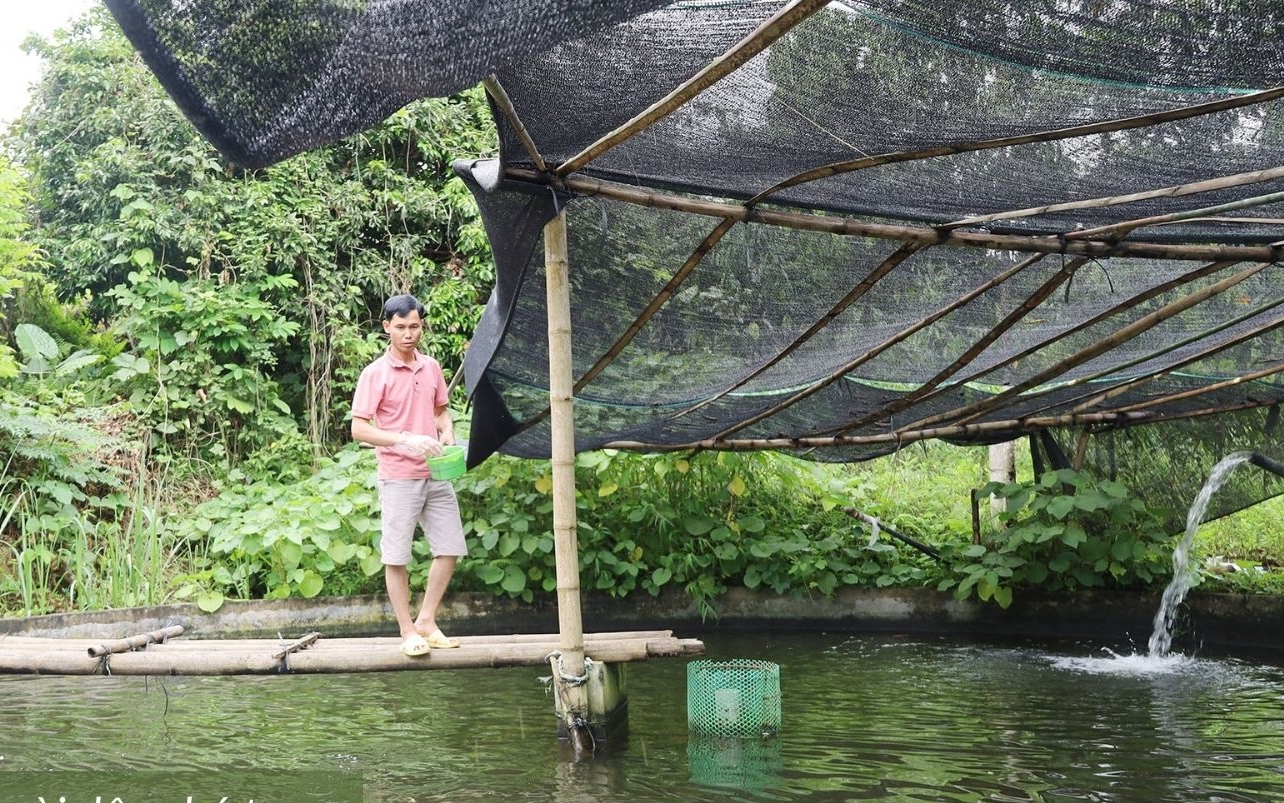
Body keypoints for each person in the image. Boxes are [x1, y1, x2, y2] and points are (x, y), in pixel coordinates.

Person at [351, 294, 465, 657]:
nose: (408, 334)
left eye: (414, 326)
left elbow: (441, 411)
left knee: (450, 548)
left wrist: (446, 432)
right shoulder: (375, 374)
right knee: (396, 556)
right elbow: (359, 430)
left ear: (421, 326)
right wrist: (405, 439)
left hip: (437, 472)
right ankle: (406, 631)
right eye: (400, 327)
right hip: (398, 475)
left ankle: (427, 622)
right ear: (387, 328)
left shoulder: (431, 367)